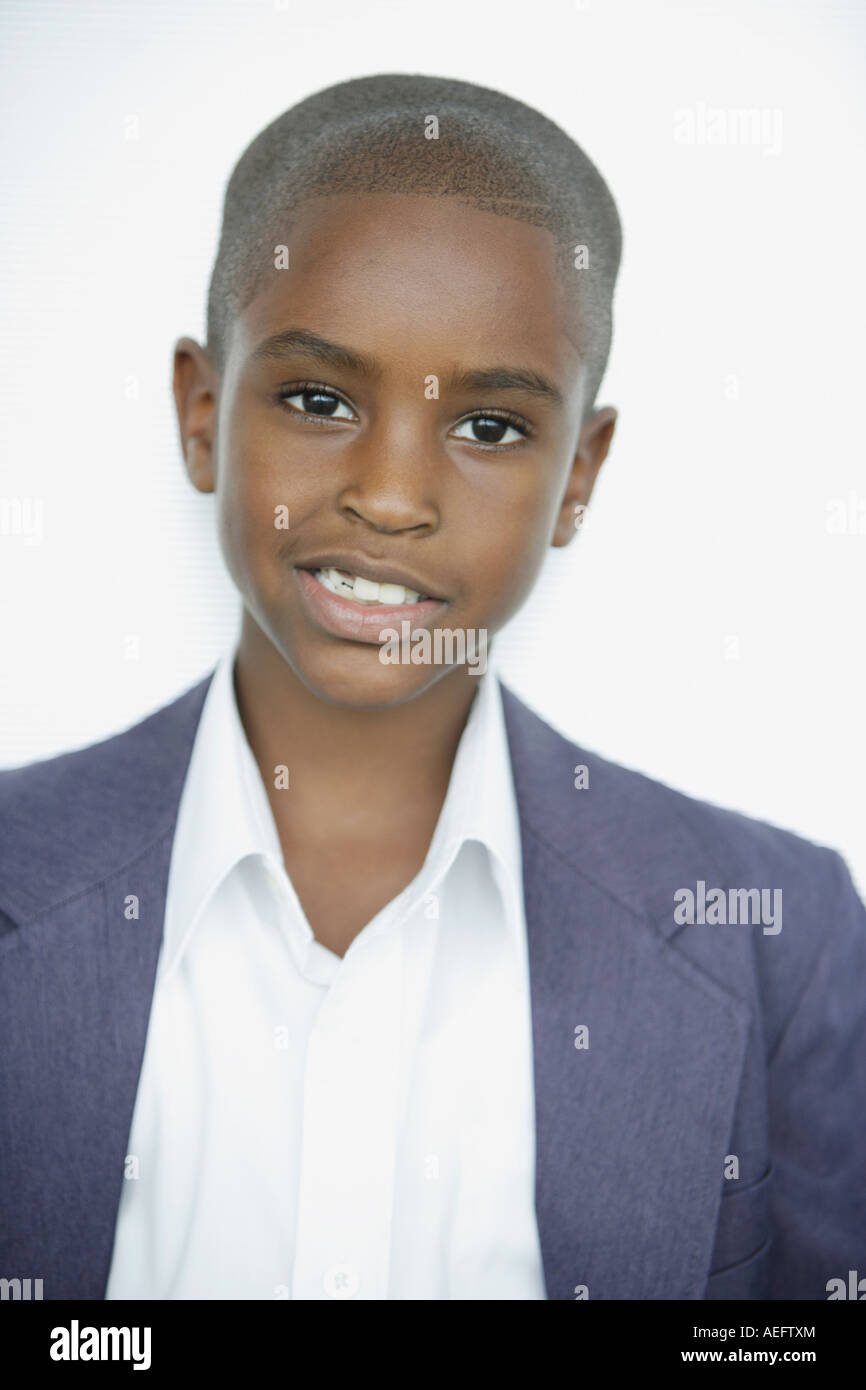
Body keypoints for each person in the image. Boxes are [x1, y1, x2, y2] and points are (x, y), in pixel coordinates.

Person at [1, 73, 863, 1302]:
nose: (393, 495)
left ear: (579, 476)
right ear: (201, 415)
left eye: (493, 427)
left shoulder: (783, 933)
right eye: (317, 399)